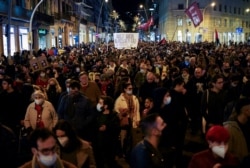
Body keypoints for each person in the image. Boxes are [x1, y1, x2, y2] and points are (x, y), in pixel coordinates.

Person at [94, 96, 120, 168]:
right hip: (98, 143)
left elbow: (116, 128)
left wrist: (107, 128)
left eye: (100, 103)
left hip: (109, 144)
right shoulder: (97, 114)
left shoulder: (113, 115)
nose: (98, 104)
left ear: (106, 106)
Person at [114, 82, 140, 154]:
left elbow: (137, 110)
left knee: (133, 138)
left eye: (131, 89)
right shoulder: (119, 99)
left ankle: (132, 152)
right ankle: (123, 152)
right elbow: (116, 110)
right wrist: (122, 112)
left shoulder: (134, 98)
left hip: (132, 120)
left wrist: (138, 120)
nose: (131, 90)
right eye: (129, 88)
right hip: (124, 121)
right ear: (125, 89)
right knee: (124, 137)